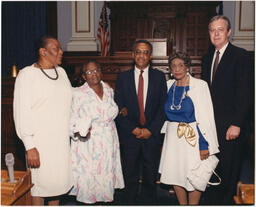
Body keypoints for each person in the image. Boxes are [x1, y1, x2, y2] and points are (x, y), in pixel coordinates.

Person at [13, 36, 73, 205]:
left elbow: (69, 103)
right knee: (38, 187)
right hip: (39, 144)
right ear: (43, 52)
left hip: (60, 142)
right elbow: (21, 111)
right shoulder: (27, 75)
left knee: (57, 186)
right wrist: (29, 145)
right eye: (56, 49)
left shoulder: (60, 72)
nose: (61, 52)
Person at [201, 15, 252, 205]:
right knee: (215, 172)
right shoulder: (207, 59)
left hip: (232, 128)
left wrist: (237, 123)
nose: (216, 34)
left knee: (230, 175)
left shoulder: (242, 56)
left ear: (229, 32)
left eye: (220, 30)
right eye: (212, 30)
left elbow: (246, 93)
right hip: (212, 128)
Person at [158, 52, 219, 205]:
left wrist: (204, 145)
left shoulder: (200, 86)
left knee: (195, 177)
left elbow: (206, 119)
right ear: (170, 69)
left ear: (187, 67)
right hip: (173, 139)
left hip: (193, 139)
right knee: (175, 175)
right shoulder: (167, 86)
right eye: (174, 66)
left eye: (181, 65)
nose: (177, 69)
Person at [114, 40, 167, 204]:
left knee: (150, 178)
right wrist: (134, 130)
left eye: (145, 52)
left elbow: (163, 107)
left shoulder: (159, 77)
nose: (141, 55)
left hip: (151, 136)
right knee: (129, 177)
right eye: (138, 52)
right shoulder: (123, 77)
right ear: (133, 55)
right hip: (130, 136)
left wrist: (150, 130)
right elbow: (117, 108)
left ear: (150, 56)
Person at [69, 61, 124, 204]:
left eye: (96, 70)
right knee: (89, 181)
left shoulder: (108, 90)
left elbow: (112, 111)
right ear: (83, 76)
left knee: (105, 179)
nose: (93, 74)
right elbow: (71, 119)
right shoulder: (78, 93)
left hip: (108, 140)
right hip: (88, 142)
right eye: (89, 72)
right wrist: (79, 131)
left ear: (101, 71)